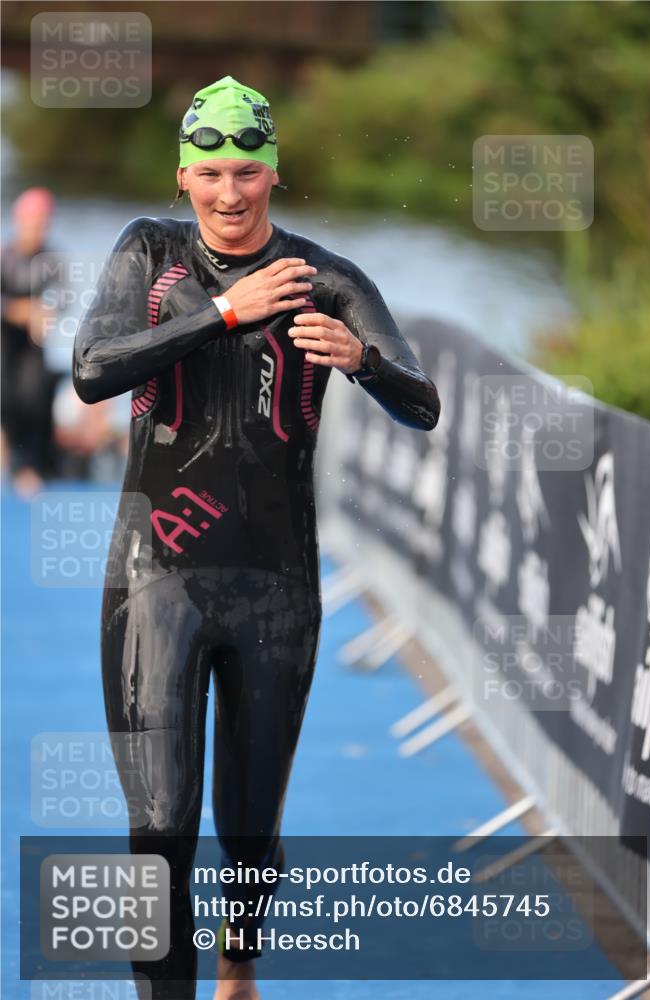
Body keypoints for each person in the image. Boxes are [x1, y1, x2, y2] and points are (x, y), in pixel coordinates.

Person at [73, 75, 440, 1000]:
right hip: (155, 575)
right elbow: (90, 372)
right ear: (183, 178)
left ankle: (239, 969)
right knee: (159, 824)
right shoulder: (146, 254)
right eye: (211, 174)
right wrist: (224, 315)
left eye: (247, 172)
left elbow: (423, 404)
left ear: (274, 176)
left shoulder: (327, 278)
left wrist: (362, 362)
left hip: (277, 585)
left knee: (244, 825)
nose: (229, 193)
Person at [1, 187, 61, 496]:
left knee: (36, 395)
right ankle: (13, 461)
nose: (37, 230)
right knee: (7, 396)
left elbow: (63, 296)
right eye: (32, 223)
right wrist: (16, 310)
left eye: (43, 224)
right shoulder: (4, 257)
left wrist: (47, 310)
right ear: (19, 222)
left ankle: (34, 466)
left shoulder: (51, 259)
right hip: (4, 340)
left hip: (34, 343)